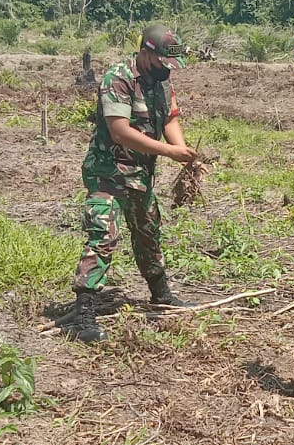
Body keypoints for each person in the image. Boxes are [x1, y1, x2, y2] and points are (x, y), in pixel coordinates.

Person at [63, 24, 198, 344]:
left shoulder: (163, 81)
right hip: (107, 171)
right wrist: (168, 151)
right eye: (163, 62)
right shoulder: (119, 78)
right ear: (145, 53)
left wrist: (183, 152)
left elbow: (170, 118)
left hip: (139, 174)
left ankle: (161, 295)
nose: (167, 69)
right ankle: (83, 315)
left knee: (148, 232)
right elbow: (120, 131)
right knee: (103, 236)